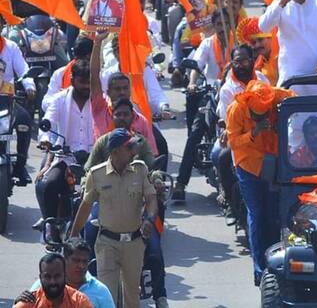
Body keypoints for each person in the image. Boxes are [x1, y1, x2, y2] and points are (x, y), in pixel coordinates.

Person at [68, 128, 158, 308]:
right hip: (107, 243)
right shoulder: (97, 174)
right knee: (107, 294)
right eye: (130, 147)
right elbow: (85, 206)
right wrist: (74, 235)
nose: (135, 151)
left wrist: (149, 218)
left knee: (132, 294)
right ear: (116, 150)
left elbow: (151, 198)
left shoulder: (140, 170)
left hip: (134, 242)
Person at [226, 80, 295, 285]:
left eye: (266, 113)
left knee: (274, 213)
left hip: (273, 161)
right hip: (248, 166)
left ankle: (276, 263)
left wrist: (281, 117)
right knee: (256, 214)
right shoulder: (235, 109)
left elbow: (295, 98)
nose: (263, 118)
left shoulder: (274, 95)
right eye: (258, 116)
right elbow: (232, 142)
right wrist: (254, 133)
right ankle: (258, 269)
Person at [173, 44, 256, 201]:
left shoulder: (259, 77)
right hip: (211, 93)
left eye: (245, 61)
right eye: (237, 62)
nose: (241, 65)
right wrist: (192, 83)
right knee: (201, 138)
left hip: (257, 131)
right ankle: (181, 183)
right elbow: (196, 65)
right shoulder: (228, 87)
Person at [34, 60, 94, 224]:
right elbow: (47, 122)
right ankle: (51, 227)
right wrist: (45, 140)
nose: (86, 87)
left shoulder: (99, 100)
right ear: (72, 80)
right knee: (48, 185)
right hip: (66, 157)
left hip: (93, 159)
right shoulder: (59, 99)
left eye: (89, 83)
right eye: (82, 82)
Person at [89, 32, 158, 153]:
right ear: (108, 91)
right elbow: (94, 74)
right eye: (117, 89)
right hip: (103, 167)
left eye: (125, 88)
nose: (122, 92)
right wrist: (97, 42)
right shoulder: (100, 108)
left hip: (133, 170)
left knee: (162, 147)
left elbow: (150, 156)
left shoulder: (140, 120)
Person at [16, 238, 114, 308]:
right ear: (65, 260)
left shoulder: (100, 292)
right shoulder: (43, 285)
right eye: (76, 260)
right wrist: (19, 300)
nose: (81, 266)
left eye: (85, 261)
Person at [0, 16, 37, 185]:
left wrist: (30, 86)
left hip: (7, 102)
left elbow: (23, 69)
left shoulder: (11, 47)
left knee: (25, 122)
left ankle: (20, 165)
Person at [13, 253, 93, 308]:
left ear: (65, 276)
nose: (53, 282)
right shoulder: (29, 302)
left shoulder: (79, 301)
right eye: (47, 277)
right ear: (41, 278)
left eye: (57, 276)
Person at [43, 38, 93, 111]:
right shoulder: (60, 74)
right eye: (82, 82)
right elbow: (45, 104)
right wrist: (62, 98)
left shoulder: (101, 75)